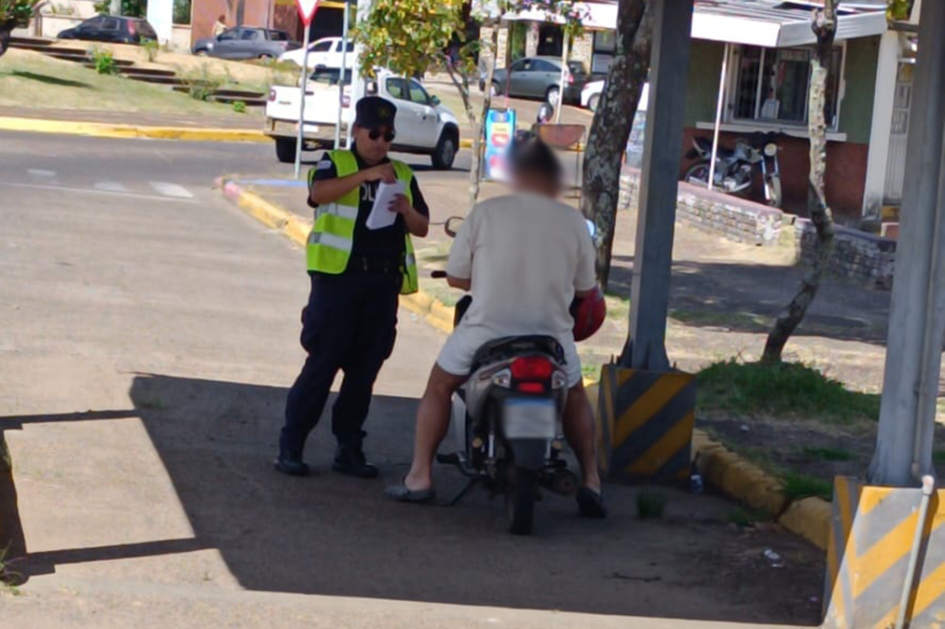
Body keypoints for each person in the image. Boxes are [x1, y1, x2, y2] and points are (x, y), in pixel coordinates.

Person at [385, 138, 606, 518]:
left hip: (486, 332)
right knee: (574, 397)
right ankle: (591, 480)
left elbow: (456, 277)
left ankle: (420, 477)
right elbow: (586, 289)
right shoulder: (573, 222)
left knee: (439, 387)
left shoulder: (484, 214)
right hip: (551, 337)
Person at [275, 96, 430, 478]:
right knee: (323, 363)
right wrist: (365, 177)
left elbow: (422, 226)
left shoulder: (403, 173)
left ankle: (349, 449)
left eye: (388, 136)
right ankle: (291, 445)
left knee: (364, 370)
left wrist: (405, 209)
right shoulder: (336, 162)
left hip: (381, 283)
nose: (380, 142)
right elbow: (318, 195)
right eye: (373, 133)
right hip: (338, 281)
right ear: (357, 130)